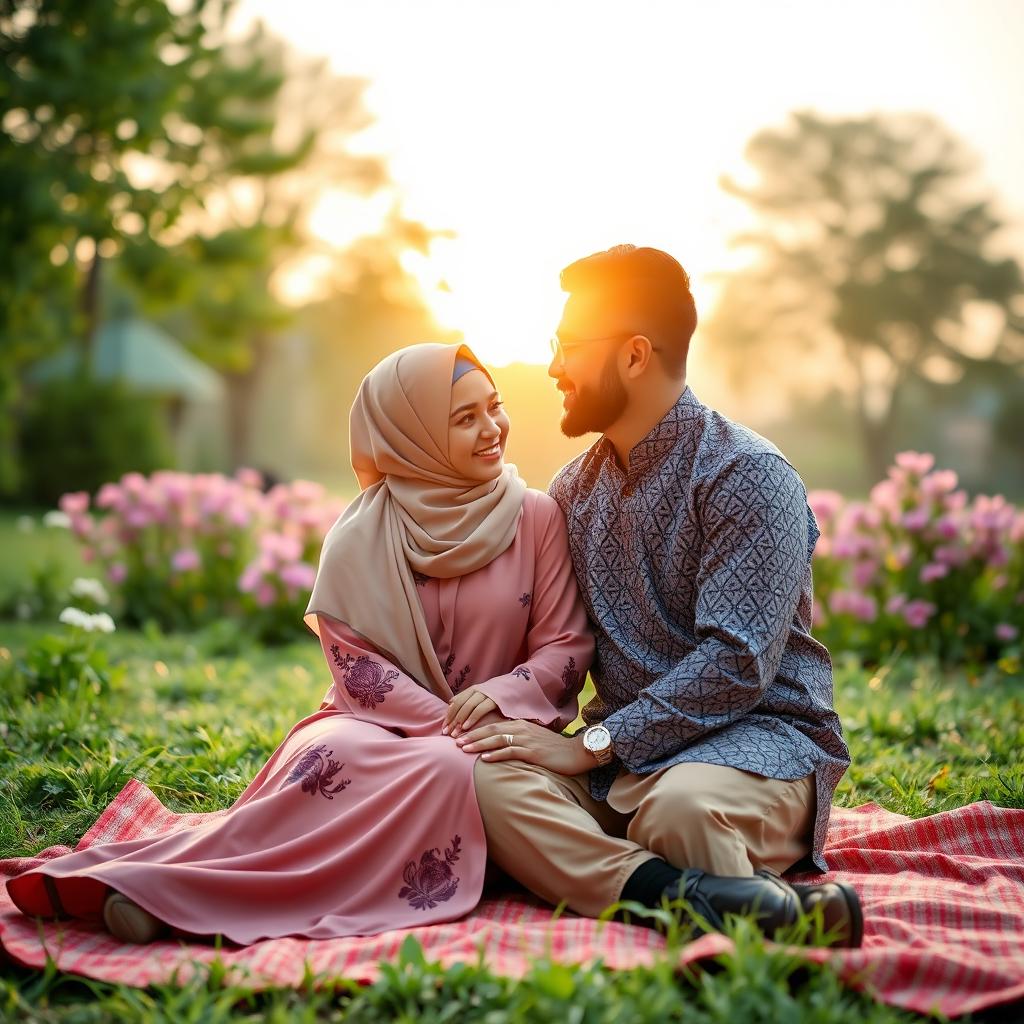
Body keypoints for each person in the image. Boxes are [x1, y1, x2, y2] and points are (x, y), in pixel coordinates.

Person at [7, 343, 593, 944]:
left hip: (500, 727)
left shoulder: (536, 517)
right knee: (349, 761)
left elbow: (564, 646)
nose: (492, 428)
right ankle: (166, 884)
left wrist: (494, 700)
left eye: (494, 408)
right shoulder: (362, 534)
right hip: (371, 727)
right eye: (464, 418)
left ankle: (181, 902)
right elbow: (359, 671)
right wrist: (450, 724)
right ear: (409, 434)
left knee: (450, 768)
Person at [462, 245, 863, 947]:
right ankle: (713, 900)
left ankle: (621, 882)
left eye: (568, 346)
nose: (553, 366)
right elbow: (553, 640)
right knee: (483, 785)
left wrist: (593, 744)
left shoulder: (748, 474)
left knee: (679, 811)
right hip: (617, 766)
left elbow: (738, 664)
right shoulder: (570, 492)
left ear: (634, 356)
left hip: (755, 746)